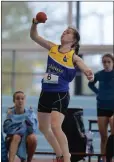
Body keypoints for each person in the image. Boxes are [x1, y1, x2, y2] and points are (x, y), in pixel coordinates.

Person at [30, 16, 94, 162]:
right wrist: (35, 23)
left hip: (60, 94)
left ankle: (67, 157)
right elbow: (34, 36)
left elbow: (82, 64)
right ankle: (59, 153)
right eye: (64, 31)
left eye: (68, 32)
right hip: (45, 92)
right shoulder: (52, 47)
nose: (64, 33)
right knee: (43, 127)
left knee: (55, 126)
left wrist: (87, 71)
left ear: (74, 40)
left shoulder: (73, 56)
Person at [88, 54, 114, 161]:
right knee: (103, 137)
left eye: (109, 62)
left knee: (112, 136)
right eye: (104, 62)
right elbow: (90, 84)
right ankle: (103, 158)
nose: (106, 64)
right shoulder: (99, 74)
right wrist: (98, 93)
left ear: (113, 62)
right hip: (102, 106)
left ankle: (110, 158)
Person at [3, 91, 38, 162]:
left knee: (33, 137)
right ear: (14, 100)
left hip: (26, 137)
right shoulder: (10, 113)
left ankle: (28, 160)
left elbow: (33, 130)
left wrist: (28, 117)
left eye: (22, 98)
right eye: (17, 98)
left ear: (25, 100)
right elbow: (6, 129)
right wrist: (19, 129)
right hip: (13, 138)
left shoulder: (30, 112)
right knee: (17, 136)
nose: (20, 101)